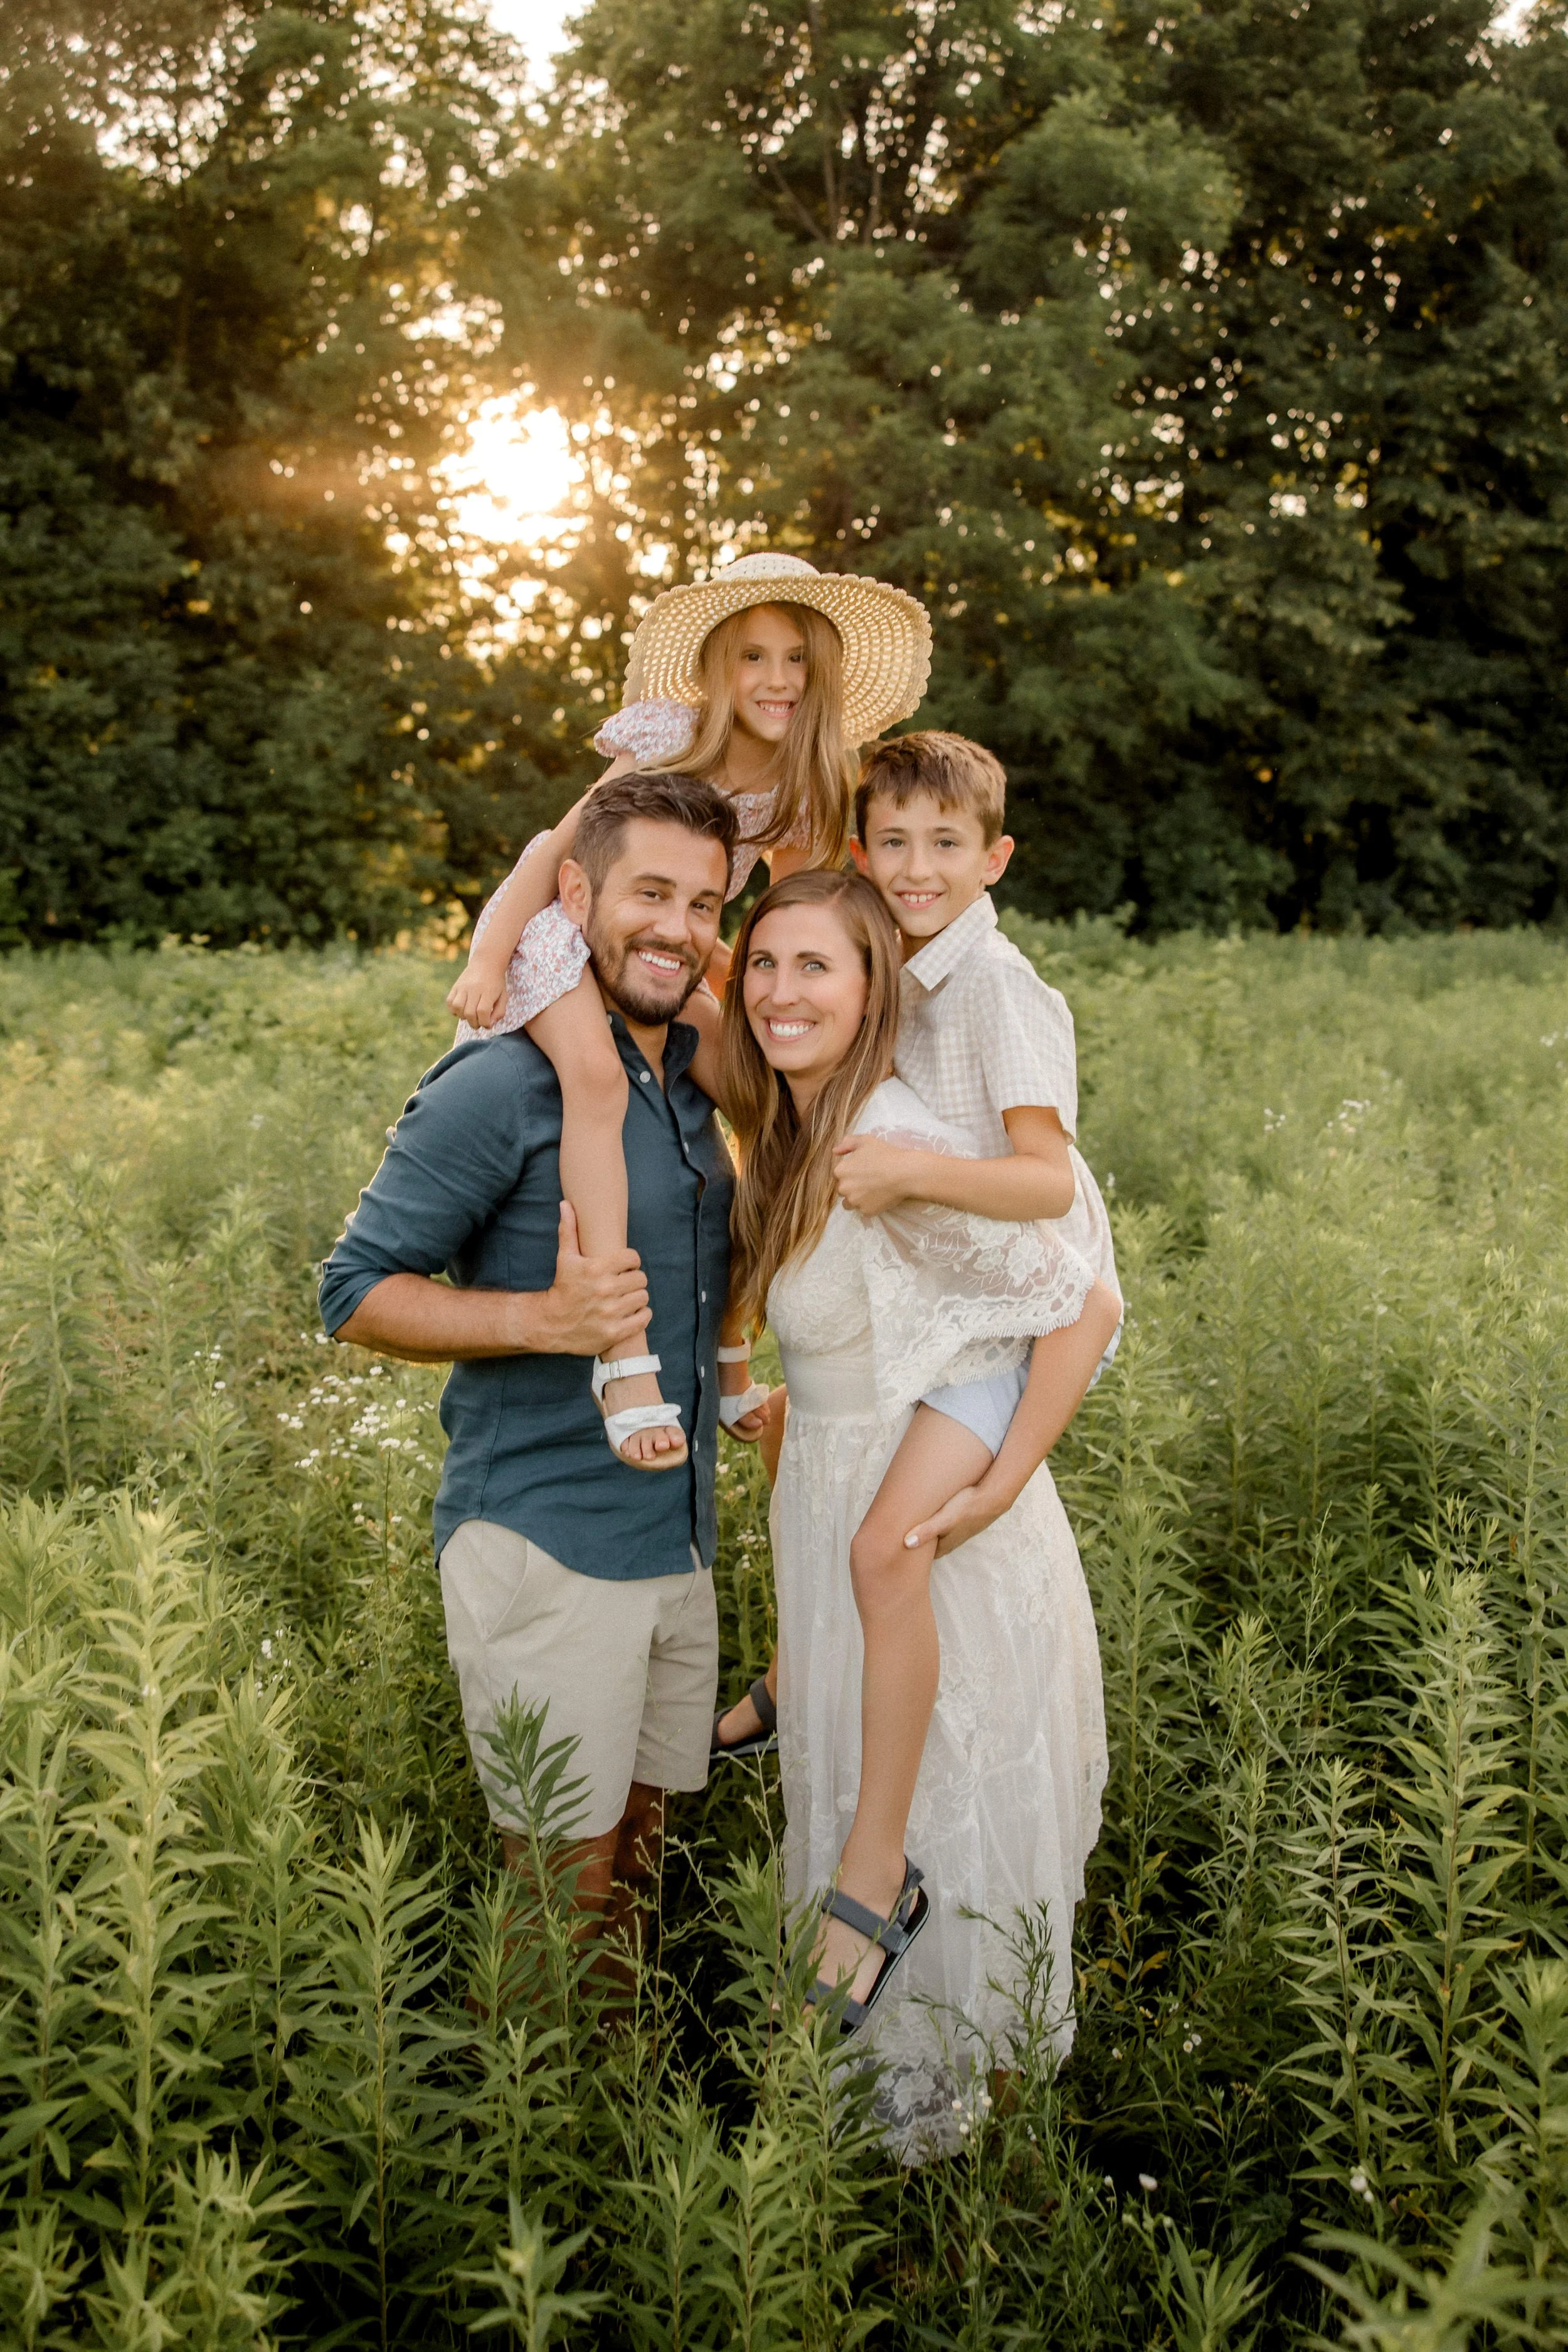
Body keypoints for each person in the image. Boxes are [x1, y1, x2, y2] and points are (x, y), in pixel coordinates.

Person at [714, 735, 1124, 2010]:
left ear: (993, 860)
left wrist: (1006, 1479)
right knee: (800, 1448)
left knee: (886, 1550)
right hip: (937, 1335)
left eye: (943, 846)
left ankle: (879, 1867)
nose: (912, 867)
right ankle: (789, 1676)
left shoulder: (991, 993)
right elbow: (794, 946)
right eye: (888, 844)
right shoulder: (865, 1026)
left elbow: (1066, 1247)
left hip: (1004, 1338)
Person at [317, 771, 739, 1956]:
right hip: (547, 1544)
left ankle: (624, 2122)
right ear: (573, 891)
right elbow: (351, 1291)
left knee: (642, 1873)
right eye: (649, 892)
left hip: (679, 1539)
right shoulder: (502, 1078)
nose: (677, 927)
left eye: (704, 903)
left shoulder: (694, 1079)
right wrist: (542, 1322)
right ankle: (547, 2135)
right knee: (558, 1901)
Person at [445, 553, 932, 1471]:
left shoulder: (802, 781)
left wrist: (769, 999)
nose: (776, 681)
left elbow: (788, 918)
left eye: (796, 660)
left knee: (764, 1096)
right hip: (568, 935)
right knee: (595, 1080)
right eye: (755, 657)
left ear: (820, 673)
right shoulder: (670, 735)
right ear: (718, 665)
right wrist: (486, 954)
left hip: (672, 958)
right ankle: (623, 1356)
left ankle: (736, 1328)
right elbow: (556, 849)